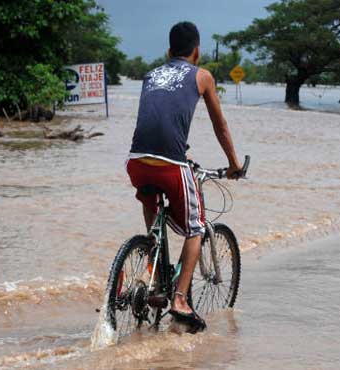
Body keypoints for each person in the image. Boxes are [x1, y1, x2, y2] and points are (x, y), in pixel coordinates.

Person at [126, 21, 241, 331]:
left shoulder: (151, 75)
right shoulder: (202, 76)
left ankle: (151, 276)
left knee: (154, 216)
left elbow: (157, 120)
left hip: (136, 161)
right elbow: (220, 126)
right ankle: (179, 299)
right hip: (169, 164)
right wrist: (233, 163)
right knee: (196, 228)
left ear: (168, 51)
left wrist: (182, 150)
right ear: (198, 51)